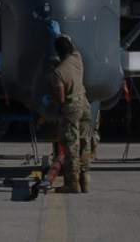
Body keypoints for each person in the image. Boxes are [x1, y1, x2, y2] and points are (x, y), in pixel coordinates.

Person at [52, 33, 94, 192]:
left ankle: (73, 183)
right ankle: (85, 180)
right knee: (85, 144)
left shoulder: (58, 72)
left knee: (71, 146)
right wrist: (66, 37)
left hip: (71, 108)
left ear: (57, 52)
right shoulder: (78, 59)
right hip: (85, 104)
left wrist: (50, 100)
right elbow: (74, 48)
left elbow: (61, 98)